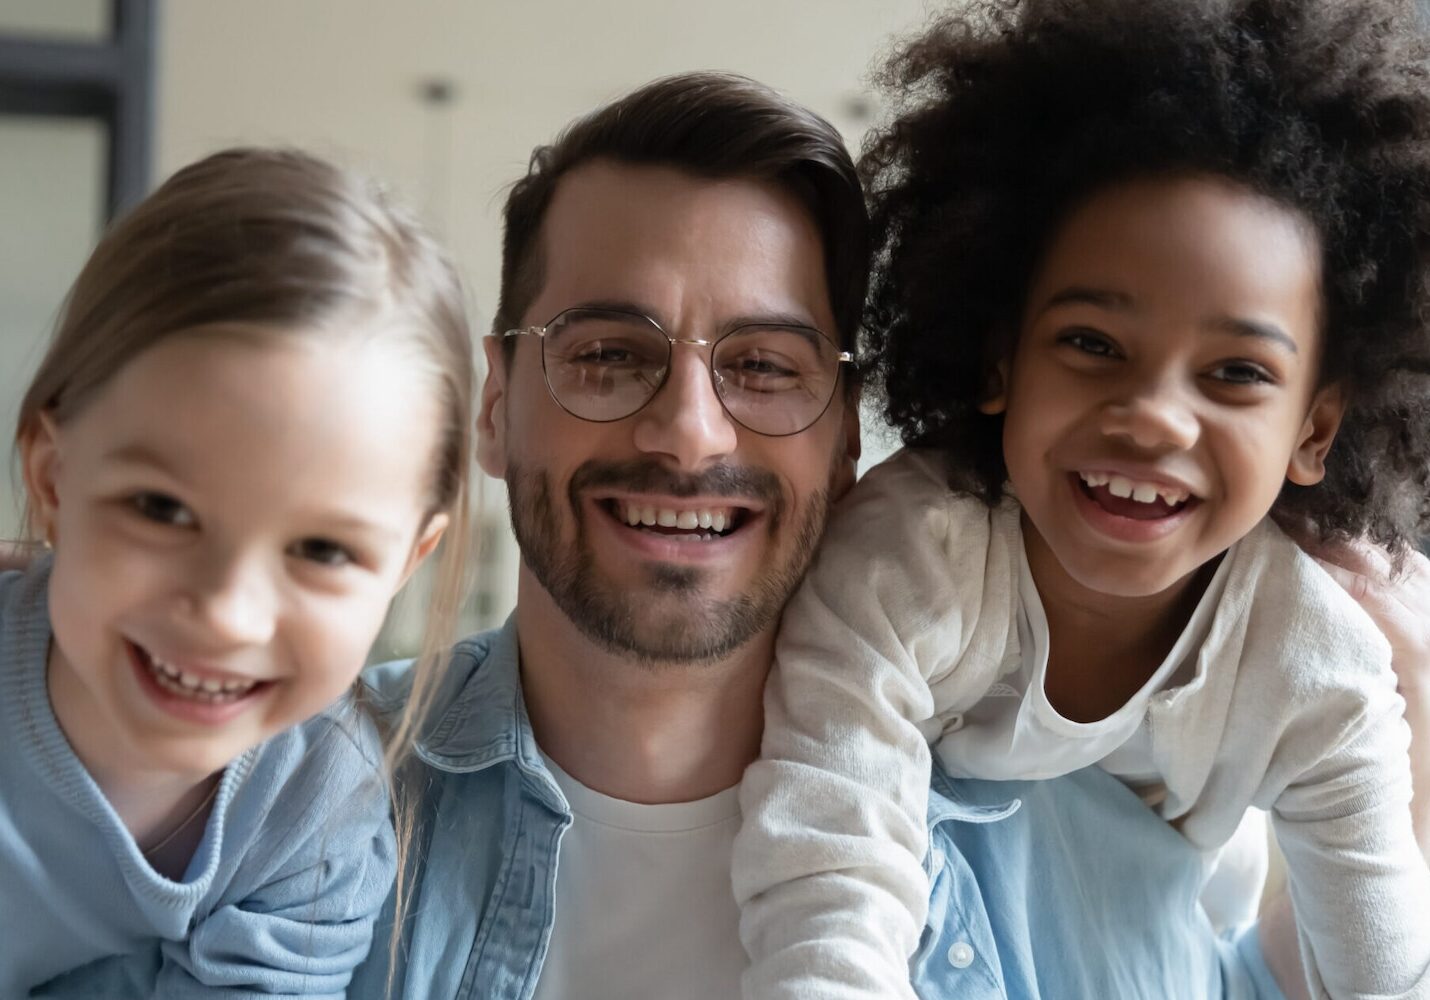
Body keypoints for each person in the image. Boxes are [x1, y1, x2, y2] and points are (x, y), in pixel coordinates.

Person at [346, 70, 1430, 1000]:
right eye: (606, 356)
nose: (685, 430)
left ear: (847, 436)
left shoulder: (1103, 851)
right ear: (493, 405)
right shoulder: (291, 801)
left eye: (766, 366)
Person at [734, 1, 1430, 998]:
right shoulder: (910, 561)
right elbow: (826, 880)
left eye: (1233, 373)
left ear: (1312, 433)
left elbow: (1381, 972)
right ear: (996, 359)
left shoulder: (1316, 663)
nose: (1150, 419)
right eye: (1092, 345)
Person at [0, 148, 475, 997]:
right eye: (161, 509)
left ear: (409, 562)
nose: (226, 613)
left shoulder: (320, 806)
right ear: (51, 477)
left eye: (323, 551)